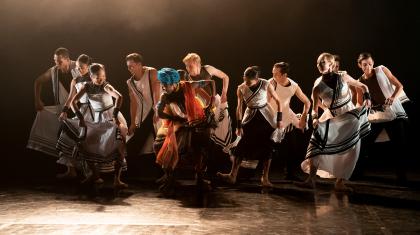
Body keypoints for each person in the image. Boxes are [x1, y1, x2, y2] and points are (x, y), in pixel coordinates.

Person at [298, 52, 371, 191]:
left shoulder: (343, 76)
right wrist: (314, 119)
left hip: (349, 116)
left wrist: (367, 98)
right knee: (317, 144)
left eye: (323, 62)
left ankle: (340, 182)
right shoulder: (317, 87)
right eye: (318, 63)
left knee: (353, 150)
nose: (319, 65)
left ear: (331, 64)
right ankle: (311, 180)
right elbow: (314, 109)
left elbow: (363, 87)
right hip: (332, 117)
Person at [153, 68, 216, 195]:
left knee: (201, 143)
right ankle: (169, 175)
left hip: (196, 118)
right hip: (177, 119)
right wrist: (175, 118)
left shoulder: (189, 85)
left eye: (166, 84)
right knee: (160, 143)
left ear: (174, 83)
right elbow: (160, 113)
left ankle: (200, 177)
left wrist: (212, 101)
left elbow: (211, 82)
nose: (163, 87)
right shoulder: (165, 96)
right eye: (162, 84)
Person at [217, 66, 283, 187]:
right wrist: (239, 126)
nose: (246, 83)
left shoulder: (265, 84)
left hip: (265, 117)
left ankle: (265, 178)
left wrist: (279, 119)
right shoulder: (241, 88)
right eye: (245, 79)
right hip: (250, 117)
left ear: (256, 79)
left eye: (249, 81)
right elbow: (239, 107)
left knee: (267, 147)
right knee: (241, 145)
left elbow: (278, 101)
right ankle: (232, 175)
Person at [71, 63, 128, 188]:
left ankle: (116, 180)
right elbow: (73, 102)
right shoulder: (87, 87)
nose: (101, 79)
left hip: (111, 117)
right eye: (97, 77)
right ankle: (96, 176)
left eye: (103, 76)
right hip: (98, 119)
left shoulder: (106, 86)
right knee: (84, 144)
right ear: (91, 76)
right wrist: (80, 118)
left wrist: (115, 115)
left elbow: (119, 97)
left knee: (119, 146)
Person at [355, 52, 409, 184]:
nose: (368, 66)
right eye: (365, 64)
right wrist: (364, 107)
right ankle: (358, 173)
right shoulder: (360, 82)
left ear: (373, 63)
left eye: (370, 64)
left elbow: (399, 86)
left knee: (399, 145)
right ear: (360, 66)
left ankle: (402, 177)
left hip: (392, 113)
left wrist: (392, 97)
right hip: (376, 115)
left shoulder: (381, 70)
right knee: (364, 142)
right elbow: (359, 102)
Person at [28, 47, 78, 157]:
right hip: (64, 109)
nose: (57, 64)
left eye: (59, 62)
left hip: (80, 108)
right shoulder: (54, 70)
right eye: (55, 61)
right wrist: (37, 100)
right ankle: (71, 170)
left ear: (67, 59)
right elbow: (38, 81)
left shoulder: (78, 67)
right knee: (64, 137)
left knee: (80, 140)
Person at [268, 62, 311, 181]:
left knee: (292, 147)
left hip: (286, 118)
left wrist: (303, 117)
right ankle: (261, 174)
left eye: (276, 74)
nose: (273, 76)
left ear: (284, 75)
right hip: (271, 118)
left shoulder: (294, 86)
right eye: (273, 73)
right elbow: (265, 103)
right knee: (269, 147)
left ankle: (290, 173)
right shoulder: (271, 83)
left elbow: (307, 102)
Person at [182, 53, 232, 149]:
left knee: (223, 127)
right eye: (186, 66)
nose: (187, 68)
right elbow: (200, 93)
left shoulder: (208, 69)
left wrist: (224, 93)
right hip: (201, 104)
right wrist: (209, 103)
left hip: (215, 101)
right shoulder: (188, 78)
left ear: (197, 64)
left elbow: (225, 77)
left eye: (189, 65)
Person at [55, 54, 93, 179]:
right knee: (67, 134)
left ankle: (91, 173)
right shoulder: (75, 80)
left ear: (88, 66)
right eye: (77, 67)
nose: (79, 70)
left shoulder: (93, 78)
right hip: (80, 109)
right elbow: (70, 98)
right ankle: (71, 170)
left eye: (82, 67)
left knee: (87, 140)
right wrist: (64, 111)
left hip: (93, 110)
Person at [125, 53, 161, 158]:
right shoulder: (130, 82)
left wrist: (156, 111)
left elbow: (156, 93)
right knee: (137, 143)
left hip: (157, 107)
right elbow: (133, 103)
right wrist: (132, 122)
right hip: (143, 112)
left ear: (139, 64)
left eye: (132, 66)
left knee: (159, 138)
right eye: (128, 66)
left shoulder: (152, 72)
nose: (129, 68)